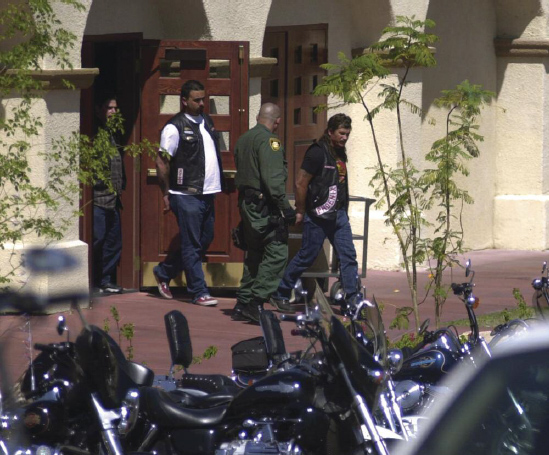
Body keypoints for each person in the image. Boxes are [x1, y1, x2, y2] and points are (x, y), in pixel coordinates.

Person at [270, 113, 359, 310]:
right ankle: (281, 293)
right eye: (341, 133)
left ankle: (352, 301)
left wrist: (344, 209)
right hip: (318, 215)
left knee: (348, 256)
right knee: (306, 256)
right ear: (330, 132)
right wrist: (300, 210)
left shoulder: (340, 152)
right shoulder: (317, 152)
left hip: (339, 216)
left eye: (347, 134)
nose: (345, 138)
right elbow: (301, 183)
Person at [153, 80, 223, 306]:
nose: (202, 103)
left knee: (205, 239)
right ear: (184, 101)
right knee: (192, 244)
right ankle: (199, 291)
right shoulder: (174, 127)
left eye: (203, 99)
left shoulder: (207, 121)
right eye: (197, 100)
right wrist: (166, 192)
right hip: (185, 193)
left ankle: (164, 272)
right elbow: (162, 162)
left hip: (208, 192)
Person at [232, 103, 296, 323]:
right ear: (277, 121)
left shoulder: (244, 138)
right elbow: (273, 180)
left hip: (248, 204)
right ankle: (256, 302)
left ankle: (242, 302)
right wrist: (286, 209)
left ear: (259, 117)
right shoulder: (271, 141)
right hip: (263, 205)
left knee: (255, 252)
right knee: (277, 251)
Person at [92, 94, 126, 295]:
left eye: (115, 108)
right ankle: (93, 280)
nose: (113, 112)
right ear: (98, 109)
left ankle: (106, 280)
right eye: (109, 107)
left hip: (114, 199)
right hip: (97, 198)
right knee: (97, 240)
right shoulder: (94, 132)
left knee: (114, 242)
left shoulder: (114, 133)